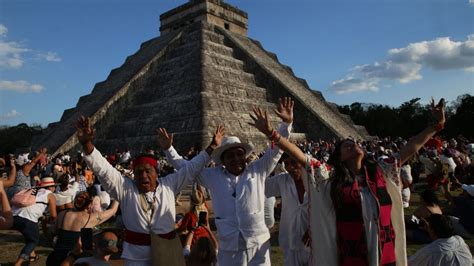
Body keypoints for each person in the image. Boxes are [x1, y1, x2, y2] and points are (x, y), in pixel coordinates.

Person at [255, 98, 446, 265]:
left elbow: (410, 147)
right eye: (346, 146)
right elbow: (302, 158)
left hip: (383, 247)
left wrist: (434, 127)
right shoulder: (331, 178)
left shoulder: (380, 171)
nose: (353, 144)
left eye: (354, 143)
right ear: (339, 158)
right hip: (352, 252)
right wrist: (274, 132)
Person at [76, 116, 224, 265]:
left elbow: (191, 169)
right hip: (136, 256)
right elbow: (103, 169)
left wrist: (212, 146)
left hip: (167, 251)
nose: (143, 176)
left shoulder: (169, 184)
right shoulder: (125, 188)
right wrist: (87, 144)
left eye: (148, 171)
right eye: (139, 172)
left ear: (156, 172)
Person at [163, 97, 293, 265]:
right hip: (229, 247)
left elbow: (276, 151)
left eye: (239, 154)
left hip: (258, 244)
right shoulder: (213, 176)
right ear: (222, 161)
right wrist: (169, 149)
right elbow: (186, 167)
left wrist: (285, 125)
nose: (236, 159)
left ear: (245, 156)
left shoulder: (258, 170)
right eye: (230, 156)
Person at [46, 191, 119, 265]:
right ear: (89, 204)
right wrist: (118, 193)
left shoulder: (62, 214)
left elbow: (54, 232)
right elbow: (113, 210)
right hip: (75, 260)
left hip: (56, 257)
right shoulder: (91, 218)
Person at [265, 154, 310, 266]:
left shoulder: (317, 180)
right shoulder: (282, 180)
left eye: (294, 162)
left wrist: (314, 228)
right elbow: (258, 186)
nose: (290, 167)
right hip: (290, 242)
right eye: (287, 164)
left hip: (314, 243)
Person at [12, 176, 57, 266]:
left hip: (13, 215)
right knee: (33, 241)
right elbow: (53, 215)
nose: (54, 188)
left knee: (28, 235)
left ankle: (32, 255)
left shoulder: (32, 190)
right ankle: (18, 264)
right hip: (29, 218)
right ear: (50, 187)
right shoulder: (50, 194)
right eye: (54, 186)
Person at [408, 214, 472, 266]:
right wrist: (429, 228)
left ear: (433, 230)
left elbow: (409, 263)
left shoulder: (431, 251)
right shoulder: (459, 240)